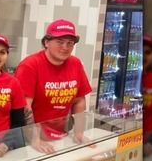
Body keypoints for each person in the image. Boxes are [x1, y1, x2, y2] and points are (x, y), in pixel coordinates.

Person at [14, 19, 93, 153]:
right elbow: (24, 107)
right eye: (60, 42)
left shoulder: (76, 64)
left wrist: (78, 133)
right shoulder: (30, 65)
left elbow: (79, 100)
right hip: (29, 139)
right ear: (46, 42)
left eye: (70, 43)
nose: (65, 47)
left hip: (61, 135)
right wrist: (35, 139)